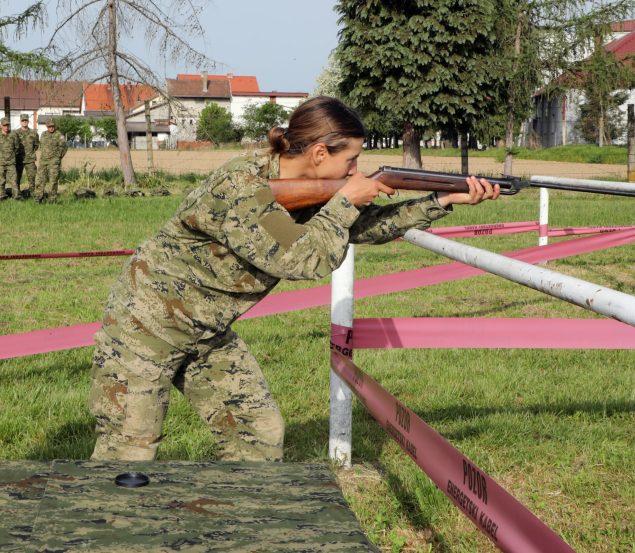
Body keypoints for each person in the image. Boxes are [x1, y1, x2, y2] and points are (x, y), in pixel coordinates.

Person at [86, 97, 500, 462]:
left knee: (258, 435)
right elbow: (304, 257)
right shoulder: (243, 187)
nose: (356, 170)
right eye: (351, 160)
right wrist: (345, 201)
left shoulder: (308, 186)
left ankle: (236, 522)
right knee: (129, 451)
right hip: (146, 324)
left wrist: (441, 199)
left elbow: (357, 228)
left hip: (206, 328)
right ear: (319, 153)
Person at [36, 119, 67, 203]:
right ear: (46, 126)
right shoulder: (43, 134)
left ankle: (52, 200)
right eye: (49, 126)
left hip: (54, 163)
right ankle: (38, 198)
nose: (51, 128)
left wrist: (57, 157)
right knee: (40, 181)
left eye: (52, 126)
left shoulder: (59, 135)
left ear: (55, 126)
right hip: (43, 162)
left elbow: (64, 147)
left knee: (53, 182)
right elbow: (41, 146)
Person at [0, 118, 19, 200]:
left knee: (14, 180)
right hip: (0, 162)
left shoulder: (13, 135)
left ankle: (16, 196)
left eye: (7, 125)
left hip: (11, 163)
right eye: (4, 125)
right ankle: (2, 196)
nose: (6, 127)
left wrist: (11, 156)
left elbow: (16, 148)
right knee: (1, 181)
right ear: (1, 126)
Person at [15, 113, 39, 195]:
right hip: (19, 159)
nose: (24, 122)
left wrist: (31, 152)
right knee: (17, 178)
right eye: (23, 120)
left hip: (30, 160)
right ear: (20, 121)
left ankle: (31, 194)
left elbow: (36, 145)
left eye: (26, 120)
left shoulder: (33, 133)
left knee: (32, 178)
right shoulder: (16, 133)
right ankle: (17, 194)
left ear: (28, 121)